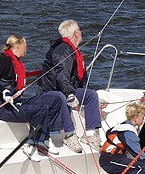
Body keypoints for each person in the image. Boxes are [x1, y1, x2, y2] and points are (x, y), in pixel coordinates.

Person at [0, 34, 82, 161]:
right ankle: (31, 144)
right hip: (4, 108)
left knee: (56, 98)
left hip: (16, 101)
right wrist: (4, 92)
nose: (26, 49)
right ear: (19, 46)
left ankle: (45, 140)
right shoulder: (5, 61)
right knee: (41, 109)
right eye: (25, 46)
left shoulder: (17, 62)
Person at [39, 19, 103, 150]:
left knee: (90, 95)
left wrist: (91, 97)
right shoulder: (62, 51)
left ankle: (90, 135)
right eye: (80, 30)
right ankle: (69, 135)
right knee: (61, 98)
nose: (81, 32)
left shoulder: (73, 50)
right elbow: (61, 74)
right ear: (75, 34)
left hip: (66, 89)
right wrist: (70, 94)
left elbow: (80, 77)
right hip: (52, 91)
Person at [99, 101, 145, 174]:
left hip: (108, 158)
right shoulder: (129, 133)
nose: (143, 120)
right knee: (141, 168)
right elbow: (140, 155)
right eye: (143, 117)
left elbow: (108, 132)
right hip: (110, 161)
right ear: (136, 118)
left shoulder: (122, 125)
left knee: (143, 172)